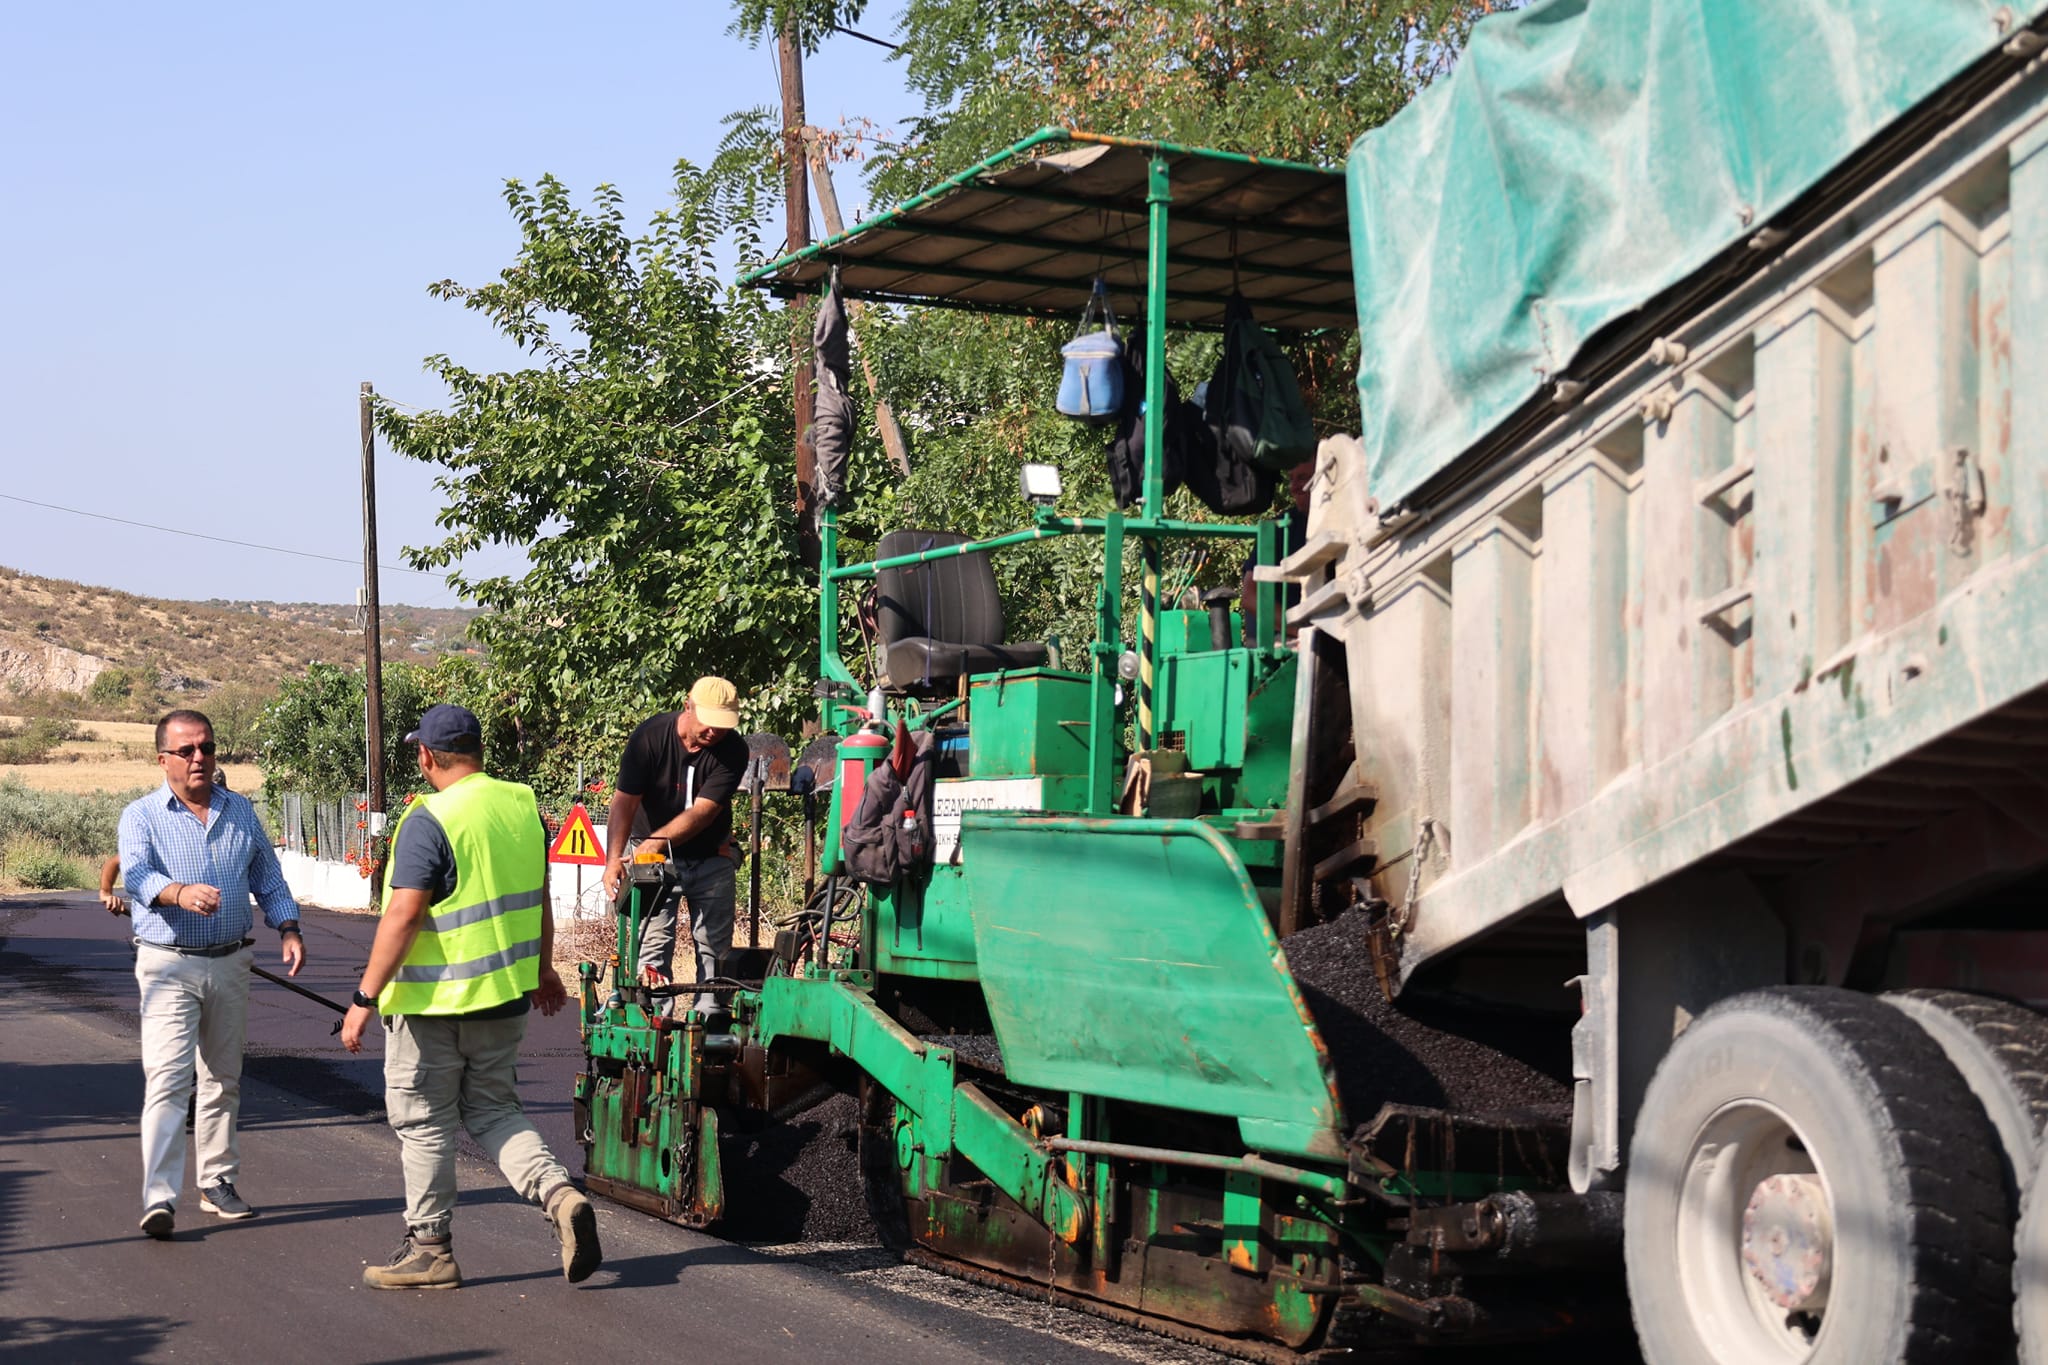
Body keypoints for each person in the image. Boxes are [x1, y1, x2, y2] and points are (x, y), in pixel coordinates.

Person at [340, 703, 600, 1290]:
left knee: (425, 1122)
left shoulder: (429, 818)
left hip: (433, 1007)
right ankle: (559, 1196)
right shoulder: (521, 808)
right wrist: (543, 969)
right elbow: (539, 899)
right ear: (479, 752)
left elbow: (404, 914)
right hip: (504, 999)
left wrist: (363, 997)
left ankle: (431, 1250)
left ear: (426, 756)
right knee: (494, 1110)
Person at [118, 709, 304, 1240]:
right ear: (163, 759)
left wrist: (289, 928)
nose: (199, 758)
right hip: (167, 963)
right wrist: (178, 892)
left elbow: (267, 875)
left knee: (222, 1079)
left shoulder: (240, 811)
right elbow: (135, 874)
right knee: (169, 1080)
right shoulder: (142, 816)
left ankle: (217, 1181)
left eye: (206, 748)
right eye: (186, 750)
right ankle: (159, 1197)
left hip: (230, 961)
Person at [601, 677, 748, 1016]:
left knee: (714, 950)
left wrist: (654, 842)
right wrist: (613, 860)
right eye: (708, 722)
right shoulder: (650, 737)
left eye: (723, 726)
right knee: (653, 945)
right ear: (688, 705)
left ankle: (710, 1026)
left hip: (710, 858)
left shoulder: (733, 750)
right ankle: (655, 1023)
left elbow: (703, 812)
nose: (714, 732)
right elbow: (624, 802)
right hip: (652, 860)